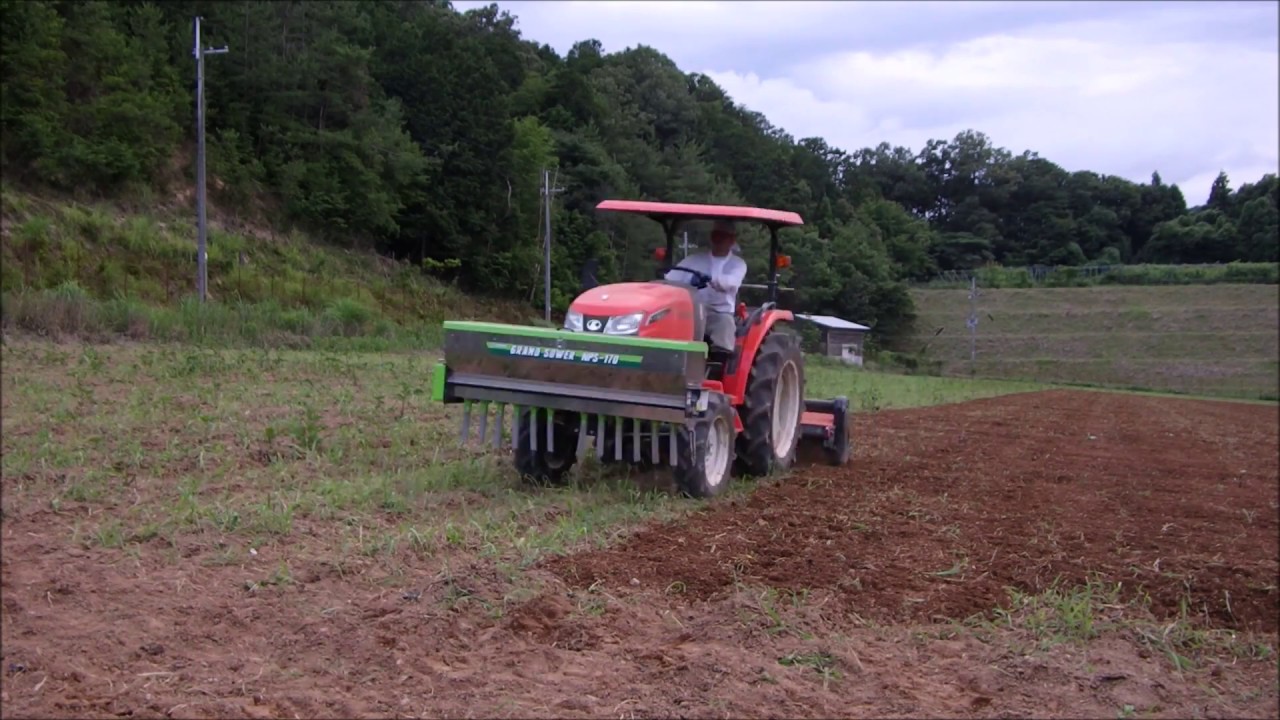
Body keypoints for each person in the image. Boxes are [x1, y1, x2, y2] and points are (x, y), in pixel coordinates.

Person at [664, 219, 746, 353]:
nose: (718, 240)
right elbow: (671, 278)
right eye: (716, 236)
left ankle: (720, 361)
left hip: (718, 311)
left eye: (723, 236)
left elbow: (732, 282)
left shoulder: (737, 264)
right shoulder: (694, 260)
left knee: (724, 324)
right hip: (691, 310)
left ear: (732, 239)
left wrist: (714, 281)